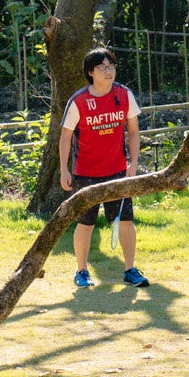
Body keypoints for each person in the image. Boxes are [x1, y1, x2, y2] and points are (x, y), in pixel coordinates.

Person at [59, 46, 147, 289]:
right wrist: (64, 170)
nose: (108, 72)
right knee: (86, 223)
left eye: (111, 67)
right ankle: (82, 271)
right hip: (85, 174)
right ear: (90, 72)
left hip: (118, 172)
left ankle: (130, 269)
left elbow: (133, 131)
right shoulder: (78, 101)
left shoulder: (124, 94)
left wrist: (133, 164)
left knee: (126, 221)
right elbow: (66, 136)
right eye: (102, 68)